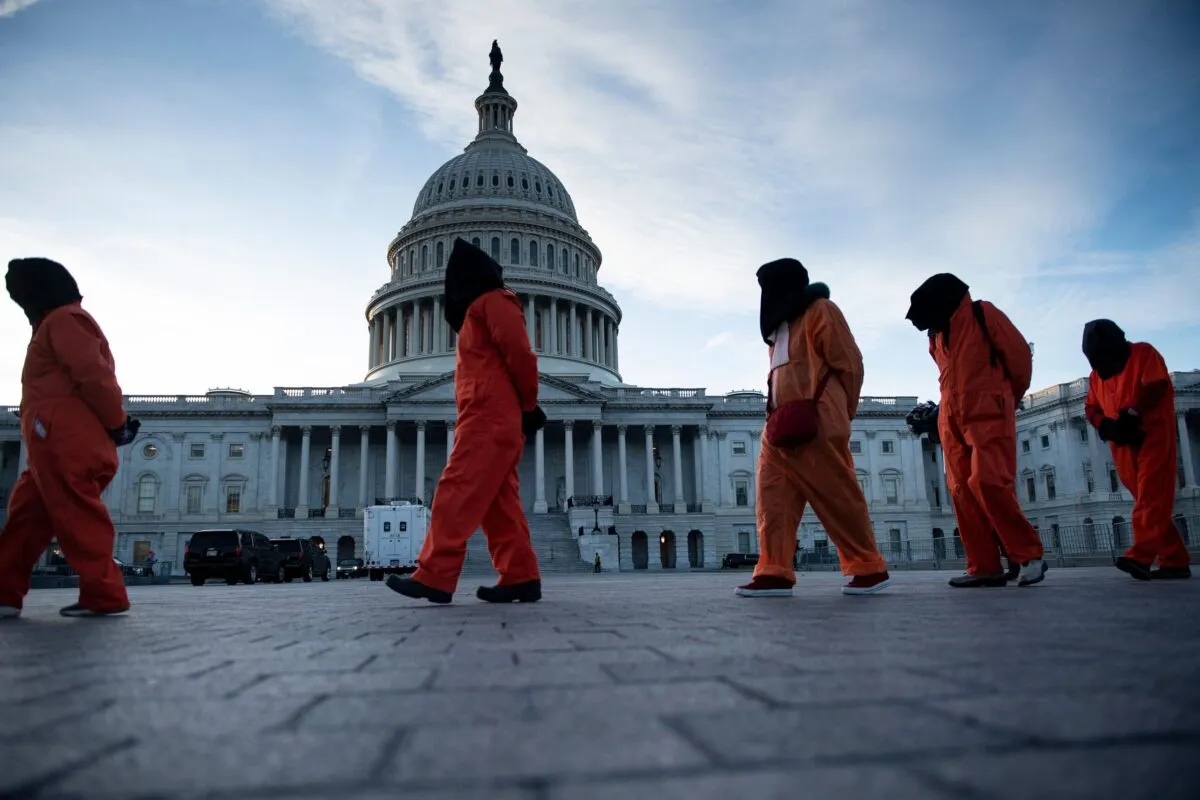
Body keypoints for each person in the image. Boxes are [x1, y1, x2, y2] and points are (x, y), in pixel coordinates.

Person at [386, 238, 544, 604]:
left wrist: (528, 405)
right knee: (498, 504)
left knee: (455, 491)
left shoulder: (493, 300)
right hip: (484, 413)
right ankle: (521, 576)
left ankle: (435, 575)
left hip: (490, 416)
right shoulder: (478, 309)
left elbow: (520, 354)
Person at [736, 258, 891, 598]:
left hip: (817, 419)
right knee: (771, 499)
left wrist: (838, 415)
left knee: (836, 494)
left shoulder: (822, 310)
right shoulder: (778, 328)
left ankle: (868, 565)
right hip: (778, 426)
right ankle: (774, 569)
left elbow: (850, 365)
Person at [0, 257, 139, 619]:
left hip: (65, 441)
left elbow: (94, 376)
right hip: (51, 444)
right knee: (24, 520)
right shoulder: (53, 323)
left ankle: (105, 594)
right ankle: (4, 593)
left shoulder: (64, 319)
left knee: (80, 520)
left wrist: (117, 423)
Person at [905, 273, 1046, 588]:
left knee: (989, 481)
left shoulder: (984, 314)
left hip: (988, 413)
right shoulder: (937, 336)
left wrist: (1008, 398)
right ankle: (984, 566)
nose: (925, 327)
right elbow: (950, 380)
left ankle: (1028, 554)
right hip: (953, 421)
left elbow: (1019, 357)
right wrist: (941, 413)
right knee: (961, 493)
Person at [1082, 319, 1191, 580]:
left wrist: (1132, 412)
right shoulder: (1097, 375)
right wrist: (1104, 425)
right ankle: (1174, 560)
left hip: (1152, 433)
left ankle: (1140, 556)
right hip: (1121, 442)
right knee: (1145, 498)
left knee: (1151, 496)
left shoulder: (1144, 353)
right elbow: (1090, 408)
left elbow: (1157, 386)